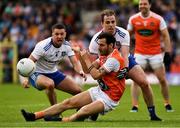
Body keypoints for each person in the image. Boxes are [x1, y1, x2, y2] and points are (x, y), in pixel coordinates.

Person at [21, 32, 127, 122]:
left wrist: (86, 58)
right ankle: (34, 116)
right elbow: (87, 70)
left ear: (111, 45)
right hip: (100, 91)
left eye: (102, 45)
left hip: (109, 98)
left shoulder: (114, 59)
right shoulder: (104, 55)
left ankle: (62, 120)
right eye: (99, 44)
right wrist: (80, 55)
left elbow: (95, 75)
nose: (99, 48)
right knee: (68, 102)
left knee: (83, 111)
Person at [89, 9, 161, 120]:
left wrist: (125, 69)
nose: (111, 25)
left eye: (113, 22)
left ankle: (152, 114)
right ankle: (94, 112)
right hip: (107, 63)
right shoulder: (95, 40)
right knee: (102, 89)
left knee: (144, 83)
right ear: (102, 24)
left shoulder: (123, 33)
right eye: (107, 22)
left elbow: (125, 54)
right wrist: (100, 80)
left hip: (124, 60)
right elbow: (95, 64)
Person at [20, 23, 86, 112]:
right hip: (37, 73)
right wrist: (25, 78)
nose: (59, 36)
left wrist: (80, 71)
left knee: (78, 91)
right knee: (49, 84)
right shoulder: (42, 46)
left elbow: (74, 63)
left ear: (65, 34)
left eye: (62, 34)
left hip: (53, 73)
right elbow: (29, 62)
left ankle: (82, 112)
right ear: (52, 34)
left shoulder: (67, 46)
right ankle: (54, 112)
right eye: (56, 34)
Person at [127, 0, 174, 112]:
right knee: (136, 80)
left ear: (150, 5)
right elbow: (127, 35)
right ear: (138, 6)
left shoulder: (158, 19)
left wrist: (167, 52)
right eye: (140, 4)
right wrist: (126, 51)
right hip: (139, 53)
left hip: (155, 53)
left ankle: (167, 103)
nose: (142, 6)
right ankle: (135, 105)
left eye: (145, 4)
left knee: (162, 79)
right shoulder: (133, 19)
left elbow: (166, 36)